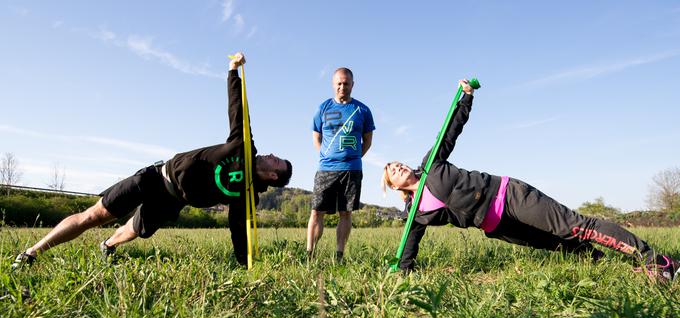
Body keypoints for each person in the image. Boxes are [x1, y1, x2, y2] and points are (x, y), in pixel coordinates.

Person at [12, 52, 292, 270]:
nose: (270, 155)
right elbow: (238, 108)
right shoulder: (243, 147)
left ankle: (107, 245)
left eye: (276, 161)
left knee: (134, 231)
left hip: (172, 201)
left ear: (272, 177)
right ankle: (31, 253)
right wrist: (233, 71)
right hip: (158, 177)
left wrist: (244, 264)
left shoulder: (247, 194)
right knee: (94, 215)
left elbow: (238, 226)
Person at [382, 80, 679, 281]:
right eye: (393, 171)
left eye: (398, 163)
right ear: (394, 186)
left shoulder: (431, 165)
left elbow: (448, 131)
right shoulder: (415, 214)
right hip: (497, 226)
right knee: (559, 243)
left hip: (508, 196)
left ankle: (659, 262)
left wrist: (466, 98)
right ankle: (607, 268)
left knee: (575, 227)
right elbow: (410, 241)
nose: (399, 167)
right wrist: (403, 273)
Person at [306, 67, 375, 263]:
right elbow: (316, 137)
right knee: (316, 211)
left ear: (352, 84)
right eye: (339, 83)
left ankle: (339, 255)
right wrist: (327, 156)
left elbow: (368, 141)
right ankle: (309, 254)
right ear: (333, 84)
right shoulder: (323, 108)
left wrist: (353, 157)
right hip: (326, 169)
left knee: (345, 212)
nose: (342, 87)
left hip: (352, 170)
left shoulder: (362, 110)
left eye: (346, 83)